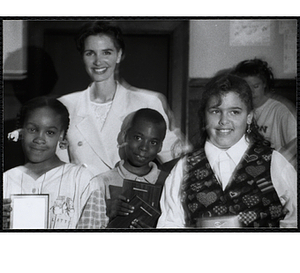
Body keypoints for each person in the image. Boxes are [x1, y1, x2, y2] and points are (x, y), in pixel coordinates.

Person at [157, 74, 297, 228]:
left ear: (249, 117)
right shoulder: (184, 168)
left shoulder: (273, 162)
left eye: (234, 112)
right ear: (204, 117)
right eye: (215, 111)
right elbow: (170, 225)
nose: (224, 120)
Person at [56, 21, 188, 176]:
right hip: (81, 196)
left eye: (107, 52)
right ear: (82, 57)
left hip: (127, 196)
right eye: (90, 53)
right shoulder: (65, 105)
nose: (98, 61)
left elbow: (174, 158)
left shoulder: (147, 103)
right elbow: (60, 168)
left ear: (119, 55)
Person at [3, 97, 100, 229]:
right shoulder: (6, 180)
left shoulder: (82, 180)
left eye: (50, 132)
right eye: (32, 129)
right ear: (21, 131)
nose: (39, 139)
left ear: (61, 135)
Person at [77, 108, 171, 229]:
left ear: (160, 147)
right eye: (138, 137)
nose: (144, 147)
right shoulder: (101, 182)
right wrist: (105, 211)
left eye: (153, 142)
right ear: (125, 136)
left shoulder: (169, 183)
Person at [232, 58, 296, 168]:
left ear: (264, 84)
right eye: (247, 87)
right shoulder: (237, 109)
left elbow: (295, 141)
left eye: (256, 86)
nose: (251, 92)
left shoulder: (280, 109)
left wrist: (277, 162)